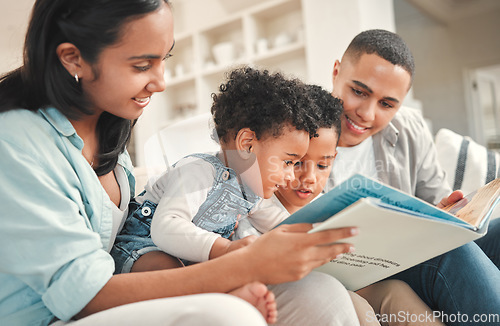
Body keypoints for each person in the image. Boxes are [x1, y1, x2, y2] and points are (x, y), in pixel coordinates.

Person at [0, 1, 361, 325]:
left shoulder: (109, 133)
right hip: (56, 315)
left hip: (120, 288)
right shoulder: (16, 142)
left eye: (164, 59)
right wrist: (239, 265)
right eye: (142, 65)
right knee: (229, 316)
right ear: (73, 58)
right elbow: (82, 293)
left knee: (320, 293)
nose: (161, 82)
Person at [112, 67, 366, 326]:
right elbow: (165, 227)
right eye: (288, 162)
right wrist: (226, 249)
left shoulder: (252, 190)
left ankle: (226, 300)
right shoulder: (198, 172)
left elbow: (280, 226)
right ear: (247, 145)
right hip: (141, 247)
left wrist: (317, 237)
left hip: (191, 263)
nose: (290, 176)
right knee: (165, 267)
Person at [327, 29, 500, 325]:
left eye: (387, 104)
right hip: (357, 268)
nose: (367, 114)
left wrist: (447, 209)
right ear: (336, 72)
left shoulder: (410, 128)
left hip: (409, 254)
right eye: (358, 91)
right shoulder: (297, 131)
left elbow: (437, 203)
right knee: (453, 253)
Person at [238, 84, 445, 326]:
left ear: (333, 160)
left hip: (346, 282)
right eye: (296, 163)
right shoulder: (256, 204)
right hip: (303, 293)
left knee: (396, 292)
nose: (309, 178)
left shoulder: (326, 204)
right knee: (353, 304)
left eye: (323, 166)